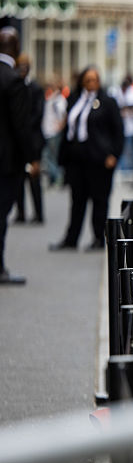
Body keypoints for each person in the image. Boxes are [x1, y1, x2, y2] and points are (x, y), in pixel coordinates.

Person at [48, 66, 123, 252]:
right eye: (88, 80)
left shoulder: (107, 102)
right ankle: (71, 238)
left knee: (99, 200)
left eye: (95, 80)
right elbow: (68, 127)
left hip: (99, 158)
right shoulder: (74, 99)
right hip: (77, 158)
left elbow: (118, 131)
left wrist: (114, 154)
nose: (91, 83)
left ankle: (99, 237)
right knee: (77, 200)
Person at [0, 27, 37, 285]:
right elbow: (21, 126)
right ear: (16, 49)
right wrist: (32, 158)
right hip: (5, 162)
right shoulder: (13, 80)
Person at [12, 54, 45, 224]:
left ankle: (39, 213)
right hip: (19, 141)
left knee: (34, 178)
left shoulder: (35, 88)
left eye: (25, 65)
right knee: (18, 179)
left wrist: (23, 125)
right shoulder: (14, 86)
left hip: (33, 140)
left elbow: (38, 114)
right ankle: (21, 212)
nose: (23, 68)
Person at [41, 76, 68, 187]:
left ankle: (58, 177)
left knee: (50, 157)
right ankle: (53, 178)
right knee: (49, 156)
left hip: (53, 132)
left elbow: (63, 115)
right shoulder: (51, 98)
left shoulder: (59, 99)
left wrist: (60, 127)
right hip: (47, 131)